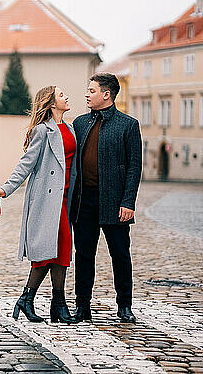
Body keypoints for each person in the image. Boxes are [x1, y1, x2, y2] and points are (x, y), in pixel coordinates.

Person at [0, 86, 78, 324]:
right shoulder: (42, 131)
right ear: (51, 103)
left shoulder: (70, 128)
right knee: (46, 250)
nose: (66, 97)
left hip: (66, 198)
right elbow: (26, 164)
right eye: (62, 95)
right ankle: (28, 299)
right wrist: (7, 188)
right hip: (47, 198)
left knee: (62, 251)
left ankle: (57, 306)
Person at [70, 73, 142, 323]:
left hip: (115, 202)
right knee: (84, 255)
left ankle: (124, 306)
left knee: (120, 255)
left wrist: (128, 202)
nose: (87, 95)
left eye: (91, 90)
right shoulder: (79, 123)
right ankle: (82, 306)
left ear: (106, 94)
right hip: (84, 201)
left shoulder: (128, 125)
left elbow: (134, 167)